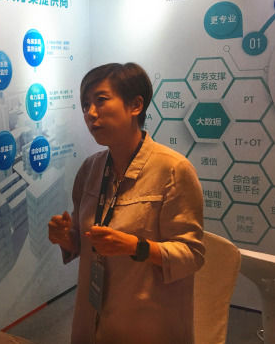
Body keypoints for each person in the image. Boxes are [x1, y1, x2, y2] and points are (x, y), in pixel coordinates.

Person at [48, 62, 205, 344]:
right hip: (90, 320)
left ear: (135, 105)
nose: (90, 113)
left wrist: (137, 247)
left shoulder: (173, 170)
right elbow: (85, 242)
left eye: (101, 100)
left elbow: (192, 254)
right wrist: (66, 238)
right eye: (85, 105)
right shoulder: (90, 169)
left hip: (147, 324)